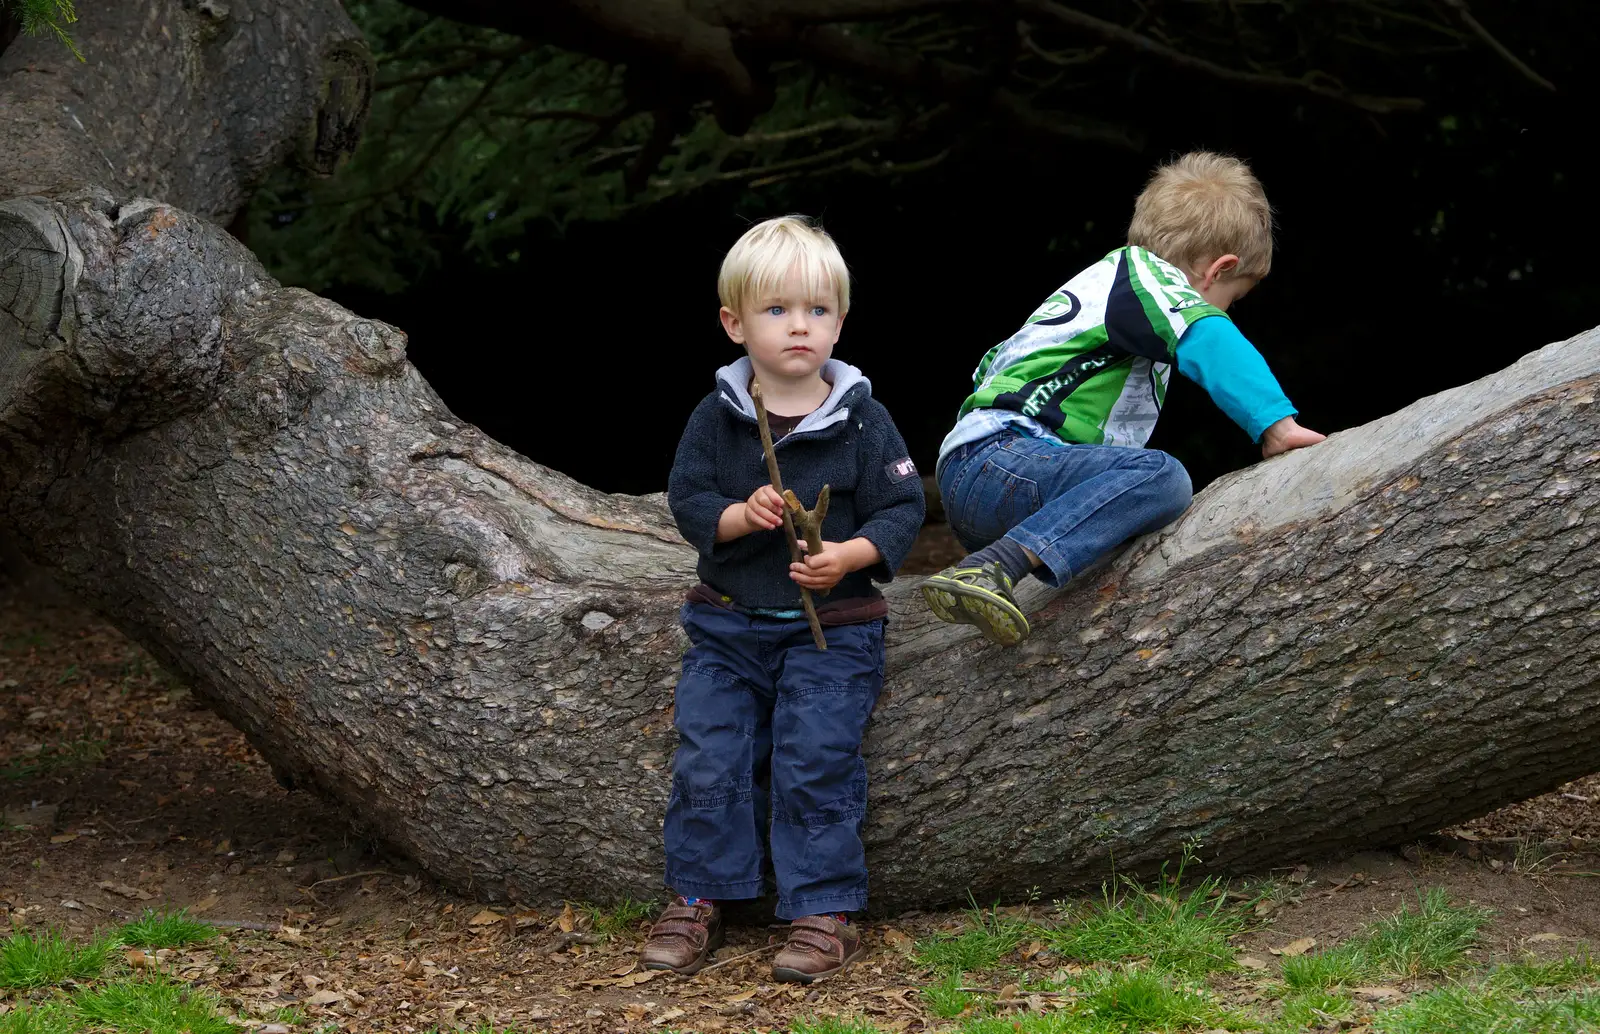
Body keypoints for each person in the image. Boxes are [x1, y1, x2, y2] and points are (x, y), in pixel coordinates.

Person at [641, 215, 925, 982]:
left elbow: (903, 510)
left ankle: (823, 907)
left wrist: (848, 557)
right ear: (734, 323)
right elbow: (689, 496)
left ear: (840, 320)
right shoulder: (721, 415)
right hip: (728, 629)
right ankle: (701, 892)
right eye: (776, 310)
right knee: (711, 754)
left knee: (815, 758)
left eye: (817, 310)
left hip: (831, 630)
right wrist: (739, 516)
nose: (799, 327)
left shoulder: (862, 416)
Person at [922, 151, 1325, 646]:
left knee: (1131, 501)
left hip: (985, 475)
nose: (1226, 312)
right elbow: (1212, 340)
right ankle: (993, 566)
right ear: (1217, 270)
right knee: (1161, 475)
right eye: (1233, 299)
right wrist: (1276, 425)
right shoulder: (1147, 278)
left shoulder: (1102, 292)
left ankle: (1000, 568)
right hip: (1003, 461)